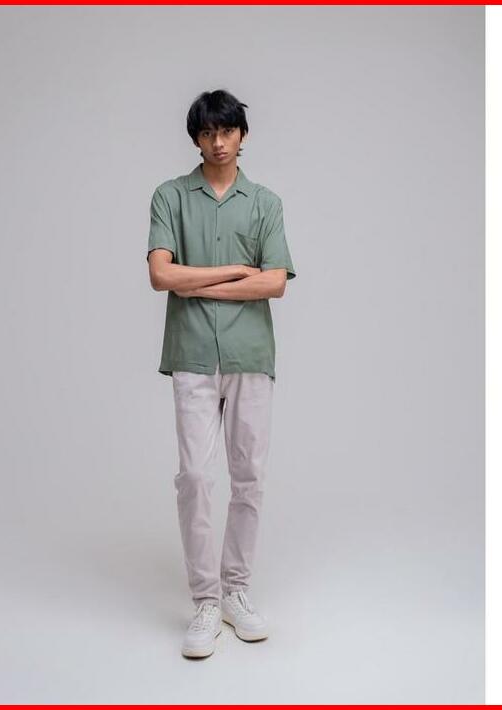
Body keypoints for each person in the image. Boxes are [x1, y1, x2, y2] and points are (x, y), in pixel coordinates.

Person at [146, 89, 297, 659]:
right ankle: (206, 600)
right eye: (208, 133)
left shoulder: (265, 203)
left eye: (227, 132)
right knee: (194, 476)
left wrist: (197, 281)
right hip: (191, 353)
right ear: (196, 138)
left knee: (249, 475)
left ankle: (236, 591)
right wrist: (236, 270)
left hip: (249, 354)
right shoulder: (169, 196)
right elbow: (162, 277)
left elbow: (275, 282)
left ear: (242, 135)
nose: (218, 142)